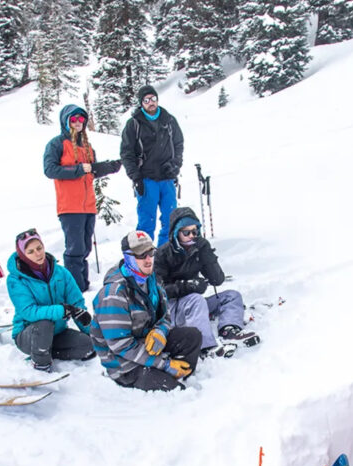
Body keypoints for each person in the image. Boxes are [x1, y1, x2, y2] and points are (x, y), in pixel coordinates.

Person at [91, 231, 201, 392]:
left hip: (147, 343)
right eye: (141, 255)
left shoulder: (151, 280)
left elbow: (165, 315)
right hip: (124, 364)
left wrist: (160, 331)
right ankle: (163, 373)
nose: (148, 259)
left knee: (192, 336)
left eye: (151, 252)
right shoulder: (114, 294)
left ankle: (172, 372)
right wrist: (164, 364)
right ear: (127, 257)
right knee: (175, 389)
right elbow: (121, 345)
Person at [154, 207, 259, 358]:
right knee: (196, 299)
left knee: (232, 296)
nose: (191, 235)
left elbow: (218, 279)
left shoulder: (198, 248)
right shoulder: (162, 254)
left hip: (193, 305)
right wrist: (188, 286)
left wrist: (206, 253)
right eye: (186, 232)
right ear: (176, 233)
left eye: (195, 231)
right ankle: (204, 346)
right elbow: (158, 290)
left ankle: (229, 329)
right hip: (171, 308)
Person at [43, 104, 122, 292]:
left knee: (85, 248)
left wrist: (111, 166)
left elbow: (91, 170)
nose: (78, 122)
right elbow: (50, 170)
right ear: (65, 121)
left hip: (88, 205)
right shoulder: (56, 144)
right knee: (75, 250)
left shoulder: (86, 146)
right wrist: (78, 169)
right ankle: (75, 289)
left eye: (81, 119)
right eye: (73, 119)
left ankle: (84, 285)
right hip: (70, 206)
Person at [7, 229, 95, 371]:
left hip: (58, 332)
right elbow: (29, 312)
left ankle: (46, 351)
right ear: (23, 255)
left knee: (88, 346)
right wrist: (62, 310)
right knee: (44, 322)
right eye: (30, 252)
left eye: (39, 248)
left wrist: (91, 331)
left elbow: (76, 303)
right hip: (29, 335)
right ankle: (41, 364)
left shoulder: (61, 272)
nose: (37, 253)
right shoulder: (16, 280)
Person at [119, 85, 183, 247]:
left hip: (167, 178)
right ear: (141, 103)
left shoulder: (169, 120)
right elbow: (127, 153)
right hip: (147, 179)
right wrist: (136, 177)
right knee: (147, 223)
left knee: (171, 221)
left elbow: (178, 144)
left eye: (153, 99)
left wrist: (175, 166)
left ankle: (163, 255)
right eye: (146, 100)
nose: (151, 103)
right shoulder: (134, 124)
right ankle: (143, 258)